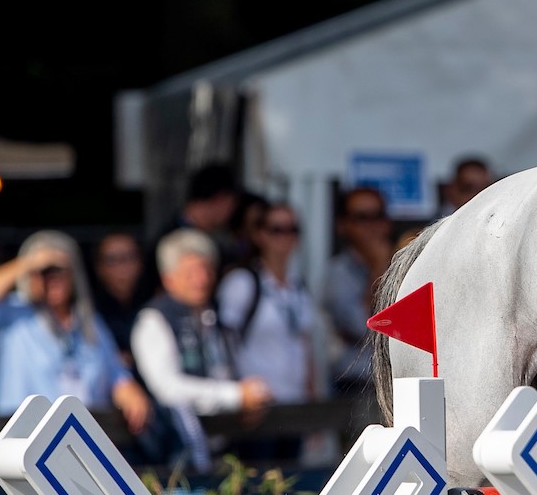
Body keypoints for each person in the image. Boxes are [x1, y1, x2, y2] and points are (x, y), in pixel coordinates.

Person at [0, 230, 152, 442]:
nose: (52, 279)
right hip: (27, 438)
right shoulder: (14, 311)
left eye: (60, 271)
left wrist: (131, 393)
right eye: (44, 272)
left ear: (74, 273)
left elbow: (116, 375)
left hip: (82, 437)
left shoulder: (88, 322)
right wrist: (29, 262)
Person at [131, 228, 273, 473]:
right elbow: (168, 389)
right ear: (169, 279)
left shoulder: (215, 315)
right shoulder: (154, 320)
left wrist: (252, 398)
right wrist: (236, 396)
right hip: (173, 459)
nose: (202, 279)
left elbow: (230, 371)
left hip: (226, 449)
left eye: (207, 269)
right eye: (191, 272)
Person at [216, 201, 318, 462]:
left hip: (293, 406)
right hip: (256, 408)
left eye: (292, 229)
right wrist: (235, 393)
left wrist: (311, 398)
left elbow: (304, 344)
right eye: (277, 229)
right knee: (257, 490)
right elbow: (221, 343)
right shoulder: (241, 282)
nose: (285, 237)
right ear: (260, 235)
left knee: (290, 489)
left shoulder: (297, 285)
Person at [323, 185, 393, 394]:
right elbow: (364, 327)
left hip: (395, 381)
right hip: (355, 385)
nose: (372, 225)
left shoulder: (401, 265)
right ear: (343, 225)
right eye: (362, 217)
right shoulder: (336, 273)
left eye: (377, 216)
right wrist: (377, 270)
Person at [90, 230, 148, 369]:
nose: (122, 266)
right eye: (112, 259)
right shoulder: (88, 310)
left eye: (129, 257)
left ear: (140, 263)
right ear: (99, 268)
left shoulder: (155, 304)